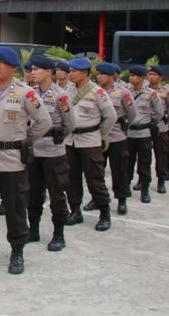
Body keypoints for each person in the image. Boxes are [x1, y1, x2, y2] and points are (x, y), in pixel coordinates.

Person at [0, 47, 51, 275]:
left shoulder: (26, 93)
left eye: (0, 62)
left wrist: (26, 140)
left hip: (12, 160)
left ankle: (17, 251)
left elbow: (43, 121)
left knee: (15, 209)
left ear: (12, 67)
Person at [26, 55, 74, 251]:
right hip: (34, 150)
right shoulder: (30, 93)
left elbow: (70, 124)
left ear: (49, 72)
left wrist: (57, 136)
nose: (32, 72)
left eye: (37, 69)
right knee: (33, 193)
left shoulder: (61, 96)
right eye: (32, 69)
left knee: (57, 194)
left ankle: (58, 234)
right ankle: (33, 230)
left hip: (54, 152)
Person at [64, 57, 117, 231]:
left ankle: (104, 212)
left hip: (90, 141)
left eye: (74, 71)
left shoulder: (98, 92)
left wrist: (100, 135)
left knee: (95, 179)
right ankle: (75, 210)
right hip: (71, 141)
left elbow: (111, 117)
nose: (70, 74)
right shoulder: (68, 90)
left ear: (85, 73)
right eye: (70, 71)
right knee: (71, 179)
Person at [88, 62, 136, 215]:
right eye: (98, 74)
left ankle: (122, 200)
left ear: (110, 76)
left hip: (116, 137)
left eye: (102, 75)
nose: (99, 77)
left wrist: (124, 126)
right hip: (98, 137)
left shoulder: (123, 92)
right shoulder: (94, 91)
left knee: (119, 171)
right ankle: (97, 198)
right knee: (96, 172)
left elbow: (132, 113)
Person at [125, 65, 164, 204]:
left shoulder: (152, 94)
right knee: (127, 162)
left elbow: (159, 112)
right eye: (130, 75)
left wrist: (150, 123)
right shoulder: (125, 91)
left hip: (143, 133)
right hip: (128, 133)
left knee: (145, 163)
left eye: (134, 76)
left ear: (141, 78)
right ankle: (126, 187)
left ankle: (145, 190)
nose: (131, 78)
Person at [146, 65, 169, 192]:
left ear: (160, 77)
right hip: (145, 127)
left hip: (160, 127)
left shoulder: (167, 92)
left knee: (161, 155)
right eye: (150, 74)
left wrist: (165, 123)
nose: (151, 77)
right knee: (144, 156)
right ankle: (143, 180)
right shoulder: (143, 90)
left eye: (154, 74)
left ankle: (161, 181)